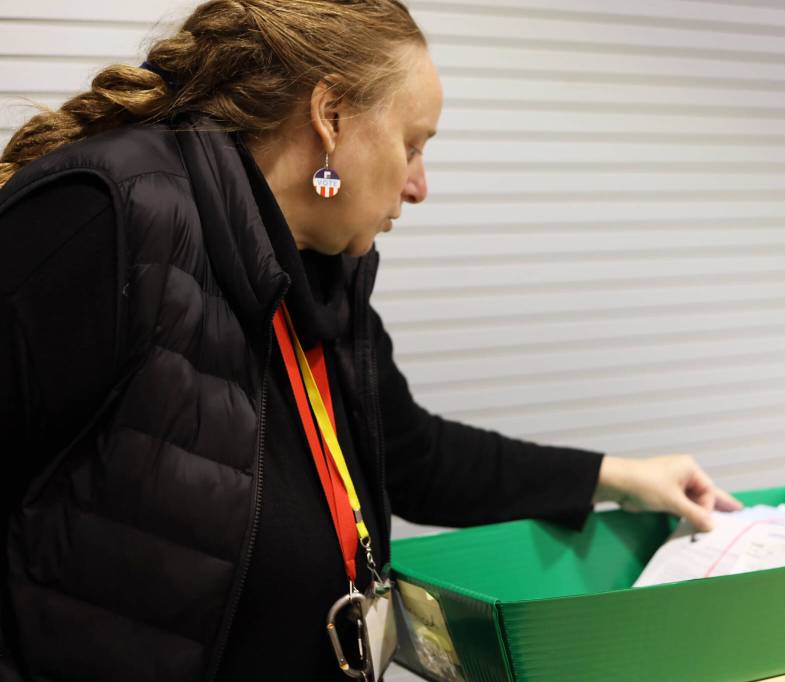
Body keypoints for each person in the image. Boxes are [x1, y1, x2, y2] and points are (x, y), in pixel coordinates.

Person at [0, 1, 742, 680]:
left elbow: (413, 453)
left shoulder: (321, 269)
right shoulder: (109, 216)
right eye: (413, 144)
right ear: (330, 115)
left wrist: (615, 474)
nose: (419, 185)